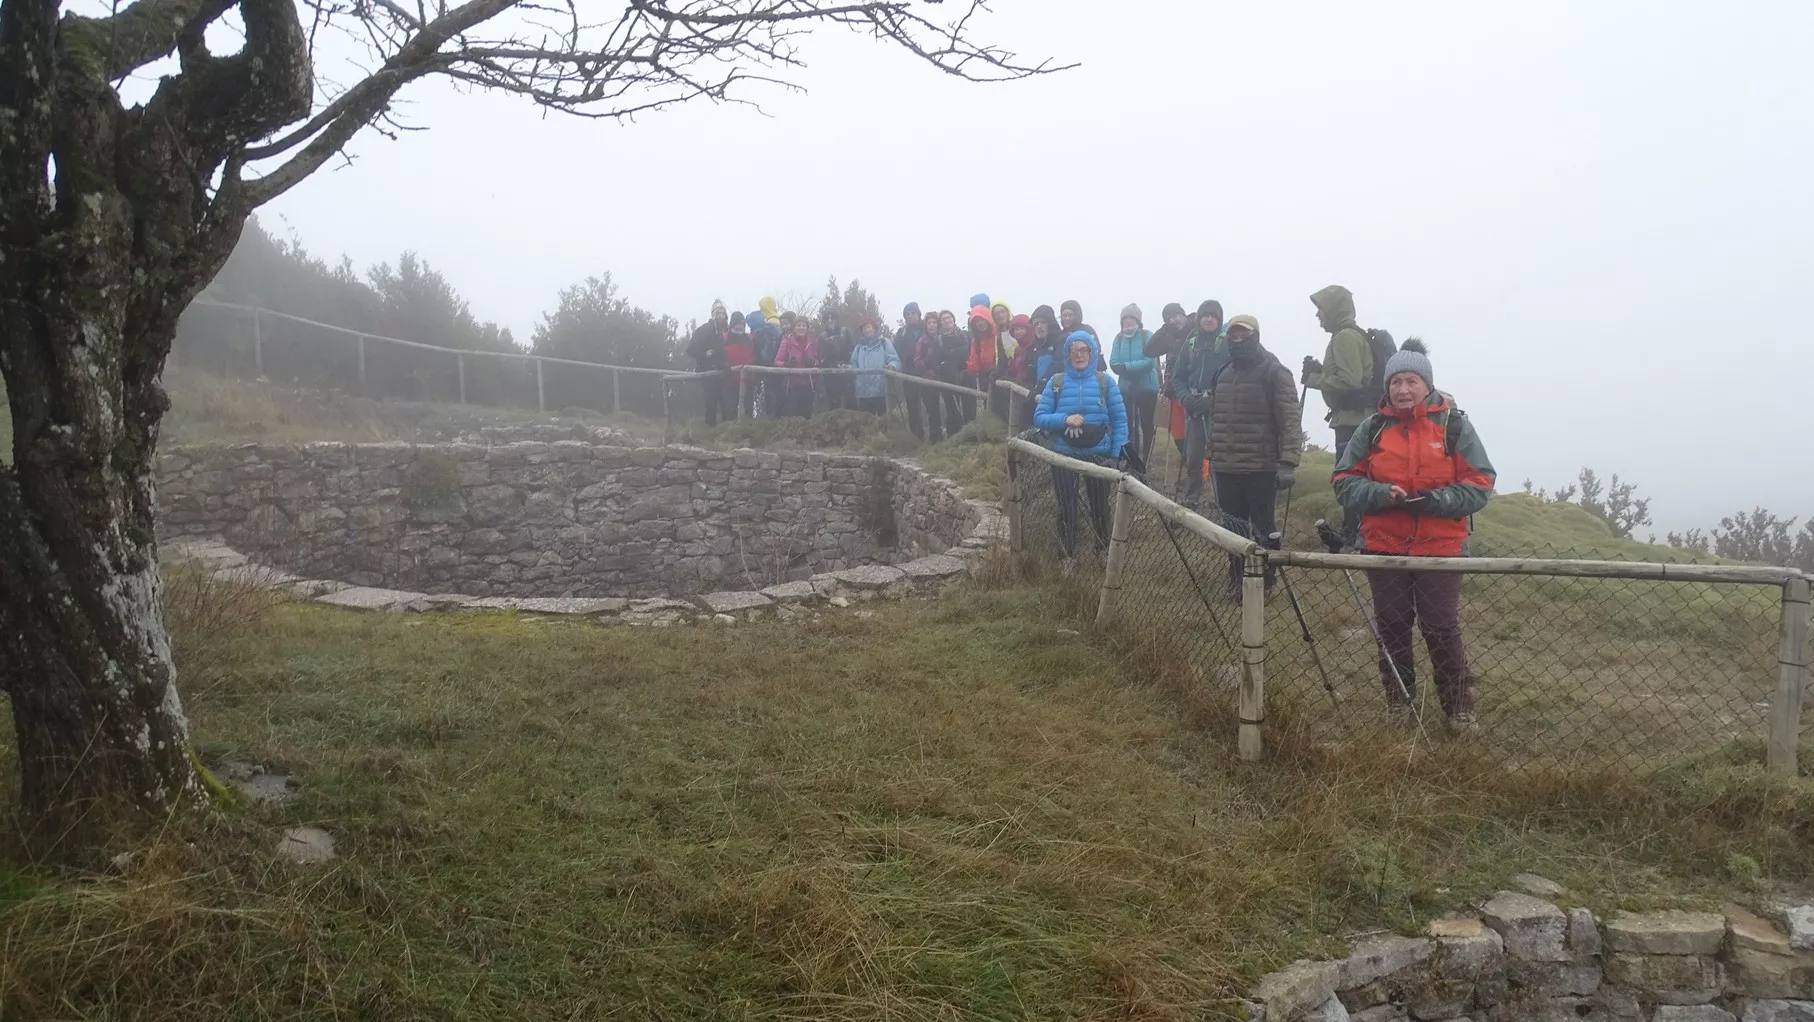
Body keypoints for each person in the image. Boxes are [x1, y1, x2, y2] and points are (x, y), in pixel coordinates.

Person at [1332, 340, 1496, 731]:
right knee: (1391, 626)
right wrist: (1377, 494)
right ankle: (1399, 701)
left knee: (1440, 627)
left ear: (1427, 384)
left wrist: (1435, 501)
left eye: (1412, 381)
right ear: (1386, 387)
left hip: (1441, 548)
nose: (1403, 390)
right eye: (1396, 382)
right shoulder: (1372, 429)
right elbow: (1342, 481)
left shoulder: (1454, 425)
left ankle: (1458, 707)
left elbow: (1481, 483)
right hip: (1382, 545)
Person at [1205, 314, 1303, 595]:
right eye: (1233, 336)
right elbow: (1217, 417)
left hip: (1261, 467)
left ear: (1255, 336)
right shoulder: (1222, 373)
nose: (1238, 340)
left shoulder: (1275, 371)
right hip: (1225, 466)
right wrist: (1212, 452)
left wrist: (1288, 462)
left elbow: (1289, 419)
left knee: (1263, 529)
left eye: (1243, 335)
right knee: (1232, 529)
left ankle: (1266, 582)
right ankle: (1237, 579)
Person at [1034, 330, 1128, 564]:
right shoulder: (1056, 383)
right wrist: (1064, 419)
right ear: (1067, 354)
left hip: (1100, 456)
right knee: (1066, 507)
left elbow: (1120, 421)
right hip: (1064, 454)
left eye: (1083, 349)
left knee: (1100, 508)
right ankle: (1067, 556)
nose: (1079, 355)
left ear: (1092, 352)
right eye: (1073, 350)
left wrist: (1116, 456)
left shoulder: (1105, 382)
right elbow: (1039, 416)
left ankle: (1103, 553)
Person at [1304, 285, 1376, 545]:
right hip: (1355, 418)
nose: (1318, 315)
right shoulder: (1348, 335)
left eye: (1321, 308)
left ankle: (1354, 534)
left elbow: (1350, 381)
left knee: (1349, 476)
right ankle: (1355, 531)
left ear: (1334, 308)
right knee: (1353, 474)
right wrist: (1322, 370)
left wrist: (1314, 378)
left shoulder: (1345, 337)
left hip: (1353, 420)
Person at [1170, 300, 1229, 509]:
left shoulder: (1226, 343)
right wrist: (1185, 398)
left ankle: (1225, 504)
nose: (1209, 319)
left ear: (1219, 319)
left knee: (1219, 457)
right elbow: (1178, 377)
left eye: (1213, 316)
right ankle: (1190, 501)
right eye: (1205, 315)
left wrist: (1211, 400)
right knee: (1193, 457)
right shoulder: (1191, 343)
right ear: (1199, 319)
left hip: (1219, 410)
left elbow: (1232, 378)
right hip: (1193, 408)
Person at [1108, 303, 1159, 461]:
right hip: (1125, 388)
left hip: (1147, 388)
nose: (1128, 321)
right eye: (1125, 318)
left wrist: (1126, 368)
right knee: (1128, 424)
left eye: (1132, 318)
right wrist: (1128, 370)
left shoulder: (1147, 335)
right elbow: (1113, 362)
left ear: (1138, 320)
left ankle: (1147, 460)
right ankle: (1131, 458)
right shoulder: (1118, 338)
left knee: (1146, 424)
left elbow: (1150, 361)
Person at [687, 300, 731, 426]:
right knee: (710, 404)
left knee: (726, 404)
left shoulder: (728, 331)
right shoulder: (703, 331)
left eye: (723, 313)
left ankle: (726, 432)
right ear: (713, 314)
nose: (721, 316)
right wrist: (704, 354)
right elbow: (690, 350)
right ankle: (709, 431)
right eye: (719, 313)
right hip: (708, 372)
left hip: (725, 373)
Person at [848, 316, 899, 415]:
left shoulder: (884, 343)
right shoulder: (859, 347)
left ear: (874, 328)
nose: (866, 330)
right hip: (863, 392)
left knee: (883, 420)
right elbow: (853, 363)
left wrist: (891, 366)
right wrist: (848, 368)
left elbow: (894, 359)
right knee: (866, 423)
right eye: (864, 328)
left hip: (881, 390)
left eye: (868, 327)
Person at [774, 314, 820, 418]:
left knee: (807, 415)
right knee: (792, 416)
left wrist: (812, 363)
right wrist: (786, 364)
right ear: (794, 327)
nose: (801, 328)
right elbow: (777, 361)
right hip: (792, 385)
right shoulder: (787, 341)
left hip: (809, 384)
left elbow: (819, 360)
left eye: (803, 325)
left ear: (807, 328)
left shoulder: (812, 342)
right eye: (798, 325)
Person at [913, 310, 946, 443]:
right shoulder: (922, 341)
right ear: (925, 325)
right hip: (928, 381)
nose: (932, 325)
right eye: (929, 323)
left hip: (945, 379)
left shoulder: (943, 338)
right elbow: (916, 360)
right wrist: (926, 369)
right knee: (933, 412)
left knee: (949, 409)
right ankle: (935, 441)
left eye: (934, 322)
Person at [936, 309, 973, 430]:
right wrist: (957, 353)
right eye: (943, 319)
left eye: (948, 317)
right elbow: (939, 357)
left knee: (969, 406)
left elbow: (968, 352)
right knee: (952, 407)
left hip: (967, 373)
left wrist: (951, 353)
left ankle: (970, 432)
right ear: (940, 323)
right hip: (948, 377)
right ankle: (954, 435)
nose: (946, 320)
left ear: (953, 319)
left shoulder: (964, 334)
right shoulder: (939, 340)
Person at [964, 304, 1001, 418]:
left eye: (982, 319)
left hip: (1000, 376)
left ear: (988, 319)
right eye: (976, 322)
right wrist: (968, 367)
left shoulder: (998, 335)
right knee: (988, 406)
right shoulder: (976, 341)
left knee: (1002, 408)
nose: (980, 323)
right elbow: (975, 362)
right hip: (985, 378)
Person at [897, 303, 928, 440]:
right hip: (909, 373)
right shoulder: (901, 333)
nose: (910, 316)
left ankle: (935, 437)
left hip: (927, 372)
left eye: (913, 313)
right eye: (907, 314)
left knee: (931, 405)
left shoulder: (927, 328)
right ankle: (916, 437)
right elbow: (896, 351)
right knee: (912, 407)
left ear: (919, 314)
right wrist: (907, 357)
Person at [748, 308, 783, 418]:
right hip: (778, 368)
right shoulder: (773, 329)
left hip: (765, 370)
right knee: (776, 397)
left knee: (767, 398)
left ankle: (769, 420)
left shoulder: (759, 333)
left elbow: (762, 353)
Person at [1024, 304, 1064, 399]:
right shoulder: (1034, 346)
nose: (1039, 326)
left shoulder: (1062, 341)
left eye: (1043, 322)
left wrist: (1041, 387)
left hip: (1059, 395)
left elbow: (1058, 366)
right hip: (1039, 397)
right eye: (1036, 324)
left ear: (1051, 323)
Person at [819, 308, 854, 413]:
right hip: (830, 373)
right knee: (833, 404)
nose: (830, 320)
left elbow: (853, 350)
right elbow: (820, 355)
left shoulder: (846, 332)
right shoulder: (822, 337)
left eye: (832, 317)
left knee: (850, 402)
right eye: (827, 318)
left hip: (846, 372)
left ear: (837, 319)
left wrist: (845, 358)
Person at [1003, 313, 1035, 425]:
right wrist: (1008, 375)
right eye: (1015, 329)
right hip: (1018, 391)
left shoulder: (1034, 346)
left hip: (1030, 391)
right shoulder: (1017, 349)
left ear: (1029, 329)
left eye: (1022, 328)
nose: (1018, 332)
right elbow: (1013, 367)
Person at [724, 312, 756, 419]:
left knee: (748, 410)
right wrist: (724, 364)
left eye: (742, 325)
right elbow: (719, 355)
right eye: (737, 325)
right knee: (730, 411)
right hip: (729, 381)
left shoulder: (750, 338)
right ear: (732, 325)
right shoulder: (725, 338)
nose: (739, 327)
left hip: (748, 381)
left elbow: (756, 356)